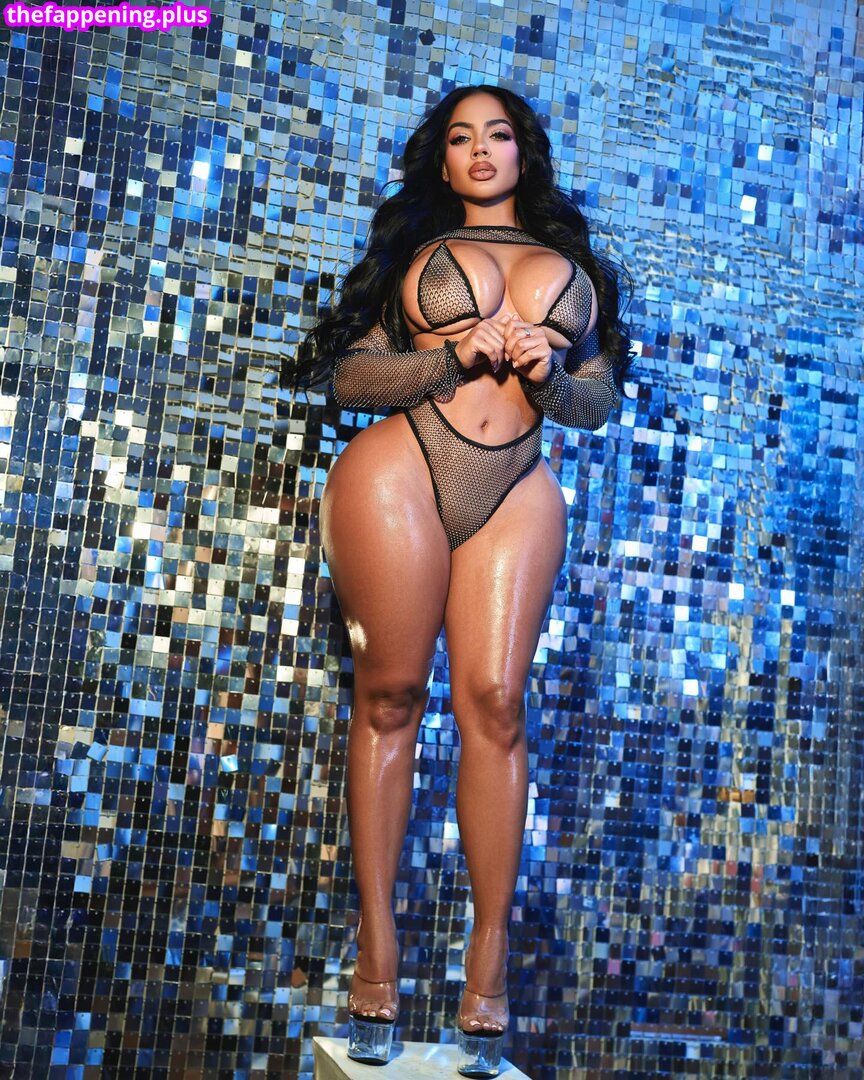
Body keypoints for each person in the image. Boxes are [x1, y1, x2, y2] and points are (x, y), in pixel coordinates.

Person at [294, 84, 633, 1076]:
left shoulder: (575, 268)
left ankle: (487, 975)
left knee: (496, 704)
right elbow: (350, 377)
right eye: (459, 137)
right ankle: (376, 962)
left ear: (524, 152)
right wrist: (447, 357)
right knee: (390, 696)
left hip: (517, 486)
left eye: (498, 135)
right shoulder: (413, 251)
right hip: (402, 470)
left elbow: (598, 401)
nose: (480, 150)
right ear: (441, 161)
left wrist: (549, 376)